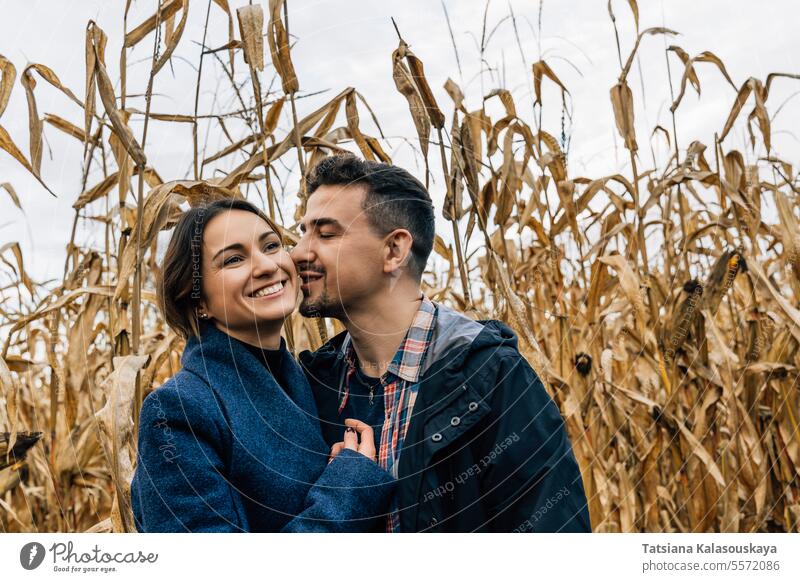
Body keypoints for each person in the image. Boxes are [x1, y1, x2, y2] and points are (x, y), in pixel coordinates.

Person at [293, 154, 592, 532]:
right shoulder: (314, 384)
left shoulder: (491, 378)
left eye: (326, 233)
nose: (299, 252)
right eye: (302, 232)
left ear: (394, 251)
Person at [131, 198, 395, 532]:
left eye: (271, 246)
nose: (266, 266)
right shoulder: (178, 410)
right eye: (234, 259)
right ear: (198, 300)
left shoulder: (317, 381)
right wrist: (348, 490)